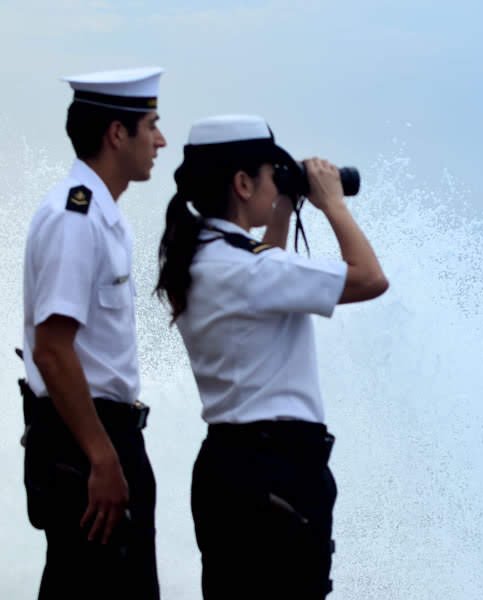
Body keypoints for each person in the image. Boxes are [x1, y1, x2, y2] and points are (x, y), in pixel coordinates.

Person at [155, 114, 388, 598]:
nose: (275, 182)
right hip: (277, 471)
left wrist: (282, 205)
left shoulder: (202, 256)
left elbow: (263, 272)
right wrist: (332, 205)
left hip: (229, 466)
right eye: (269, 174)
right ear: (242, 183)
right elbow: (369, 278)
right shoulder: (248, 269)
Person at [21, 67, 166, 599]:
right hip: (87, 444)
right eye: (151, 125)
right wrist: (103, 458)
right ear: (116, 134)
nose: (160, 140)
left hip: (100, 437)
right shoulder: (75, 217)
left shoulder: (101, 214)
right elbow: (53, 350)